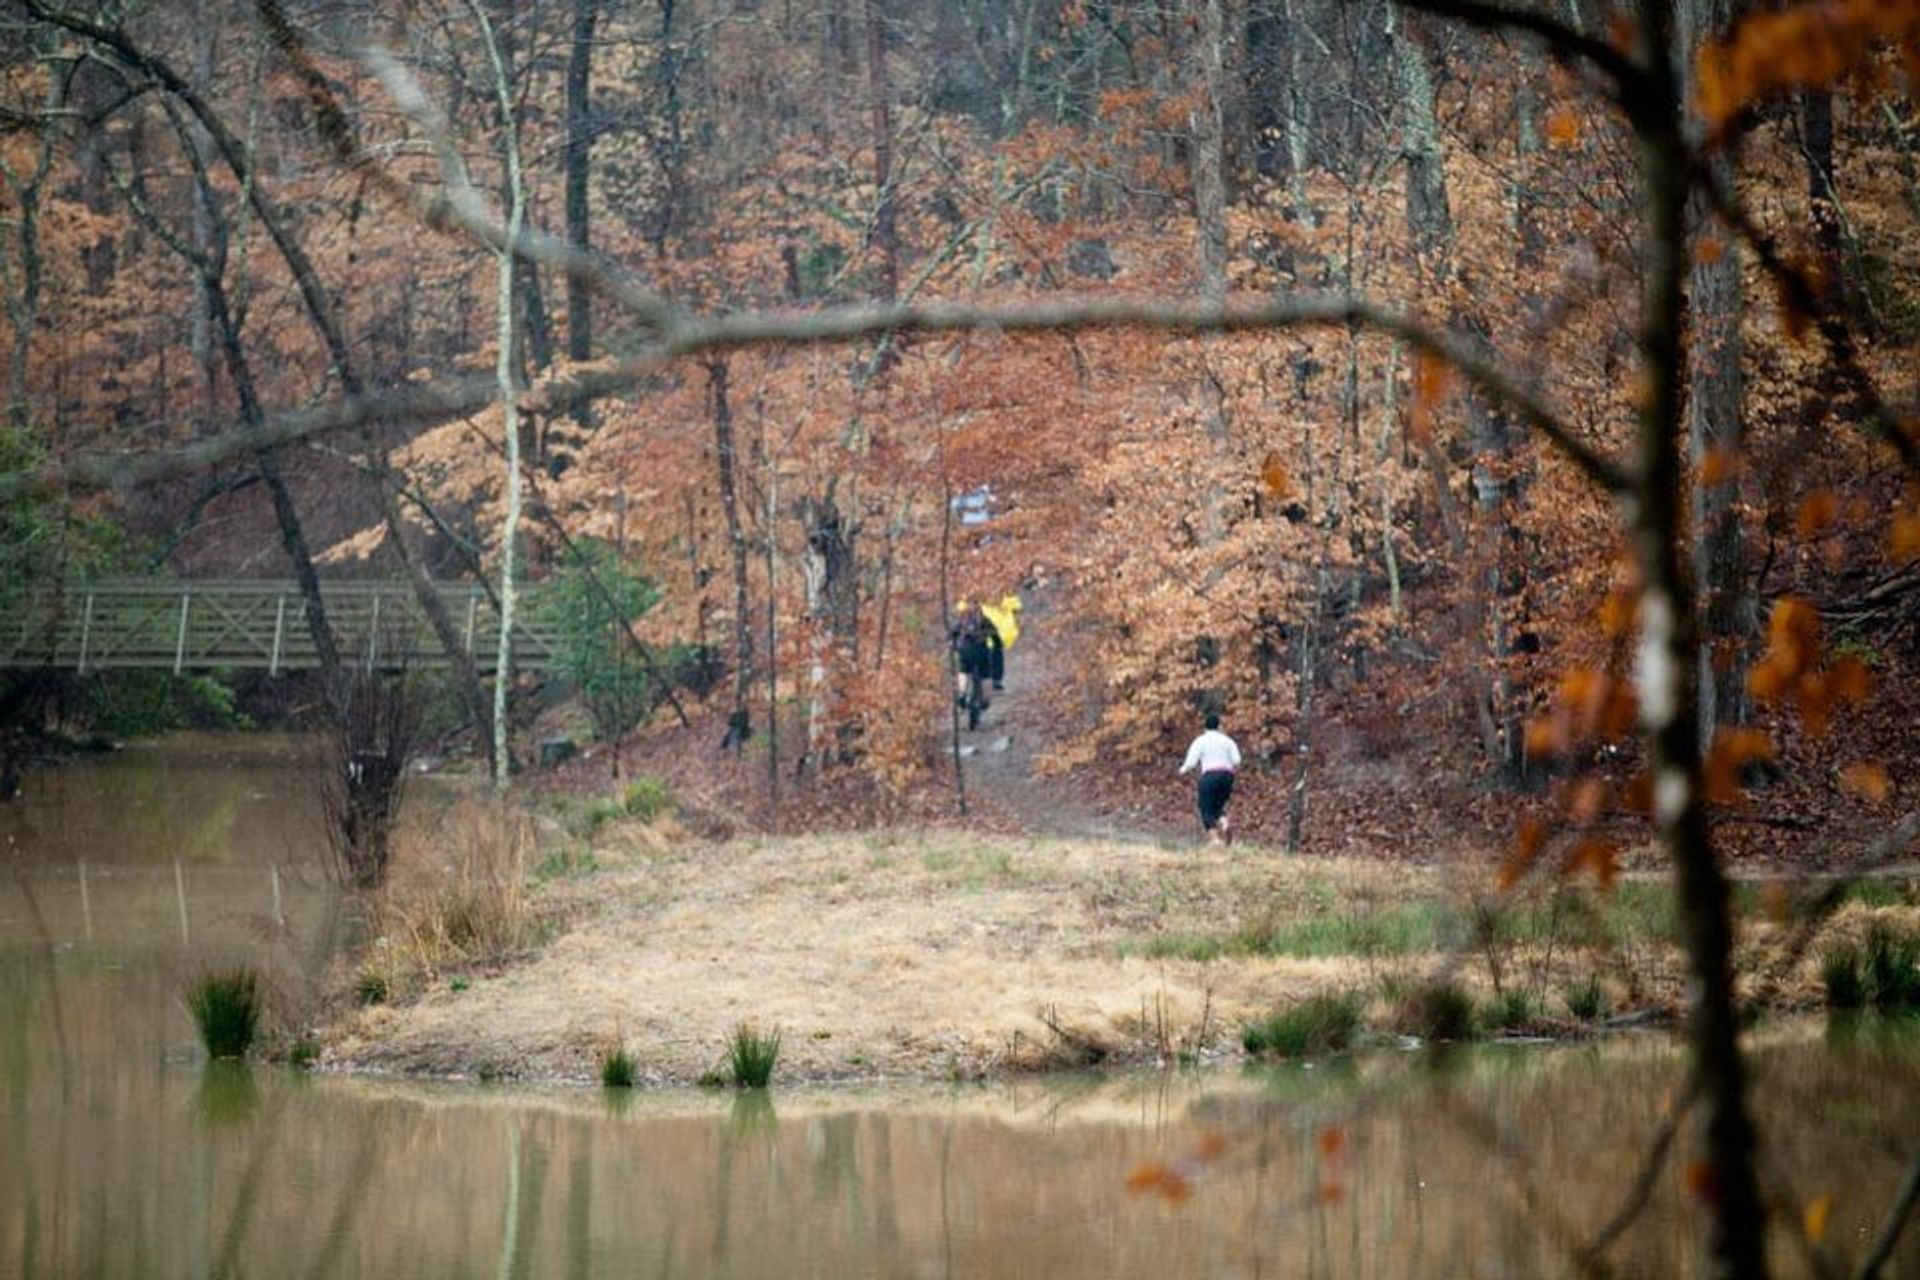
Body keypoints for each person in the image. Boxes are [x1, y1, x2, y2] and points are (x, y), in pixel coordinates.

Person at [1178, 712, 1241, 845]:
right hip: (1227, 776)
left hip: (1210, 776)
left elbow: (1191, 762)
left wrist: (1182, 770)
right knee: (1217, 806)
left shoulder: (1201, 741)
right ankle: (1225, 824)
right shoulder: (1228, 741)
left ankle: (1215, 839)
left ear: (1205, 727)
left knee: (1205, 807)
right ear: (1219, 726)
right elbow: (1236, 760)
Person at [979, 594, 1022, 690]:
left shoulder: (976, 590)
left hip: (985, 632)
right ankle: (995, 680)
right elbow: (1017, 606)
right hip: (1000, 631)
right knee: (996, 656)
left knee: (987, 657)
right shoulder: (1003, 591)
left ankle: (988, 680)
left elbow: (962, 607)